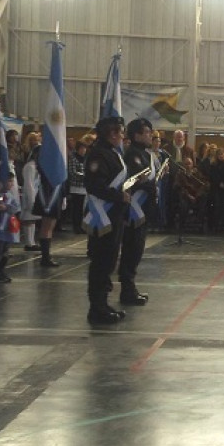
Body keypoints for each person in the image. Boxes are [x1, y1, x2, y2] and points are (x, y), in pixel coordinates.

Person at [83, 116, 131, 325]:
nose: (122, 136)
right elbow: (95, 185)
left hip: (114, 215)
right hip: (102, 216)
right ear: (111, 133)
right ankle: (97, 307)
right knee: (101, 262)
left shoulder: (111, 153)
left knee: (109, 260)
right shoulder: (98, 154)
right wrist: (119, 196)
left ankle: (103, 303)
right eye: (120, 132)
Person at [117, 118, 157, 307]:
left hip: (143, 210)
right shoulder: (133, 154)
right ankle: (127, 289)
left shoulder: (144, 154)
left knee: (136, 250)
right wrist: (150, 184)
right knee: (131, 250)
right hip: (134, 211)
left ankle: (130, 287)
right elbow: (135, 179)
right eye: (147, 132)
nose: (151, 135)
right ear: (136, 135)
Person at [67, 139, 88, 233]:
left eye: (85, 148)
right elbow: (72, 172)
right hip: (76, 187)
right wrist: (84, 176)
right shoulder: (73, 158)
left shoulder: (86, 159)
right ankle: (76, 226)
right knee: (77, 208)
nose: (84, 150)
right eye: (82, 148)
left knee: (82, 208)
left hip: (84, 187)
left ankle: (81, 225)